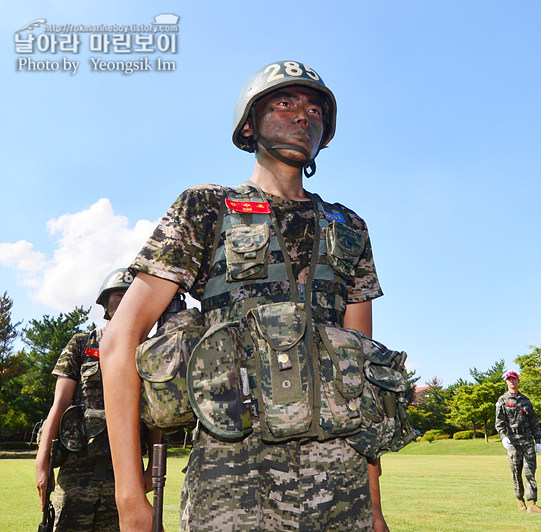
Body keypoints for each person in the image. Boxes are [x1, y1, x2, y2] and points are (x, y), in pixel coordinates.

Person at [101, 60, 389, 531]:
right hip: (232, 476)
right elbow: (120, 339)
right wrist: (130, 497)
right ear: (249, 124)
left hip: (341, 482)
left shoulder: (349, 227)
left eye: (316, 109)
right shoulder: (205, 206)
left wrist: (373, 505)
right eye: (285, 102)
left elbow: (364, 375)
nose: (304, 116)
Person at [34, 268, 151, 531]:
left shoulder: (148, 351)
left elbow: (154, 414)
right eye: (119, 295)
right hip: (77, 472)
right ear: (105, 303)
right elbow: (60, 404)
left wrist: (153, 466)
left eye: (131, 295)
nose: (125, 301)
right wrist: (42, 461)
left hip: (124, 476)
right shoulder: (81, 344)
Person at [495, 370, 541, 514]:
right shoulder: (503, 400)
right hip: (513, 441)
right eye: (509, 379)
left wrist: (537, 440)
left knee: (530, 471)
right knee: (516, 472)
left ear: (518, 381)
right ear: (506, 382)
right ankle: (520, 500)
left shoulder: (525, 400)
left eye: (514, 379)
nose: (512, 382)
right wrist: (503, 436)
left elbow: (534, 421)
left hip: (528, 440)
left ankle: (532, 503)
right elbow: (499, 422)